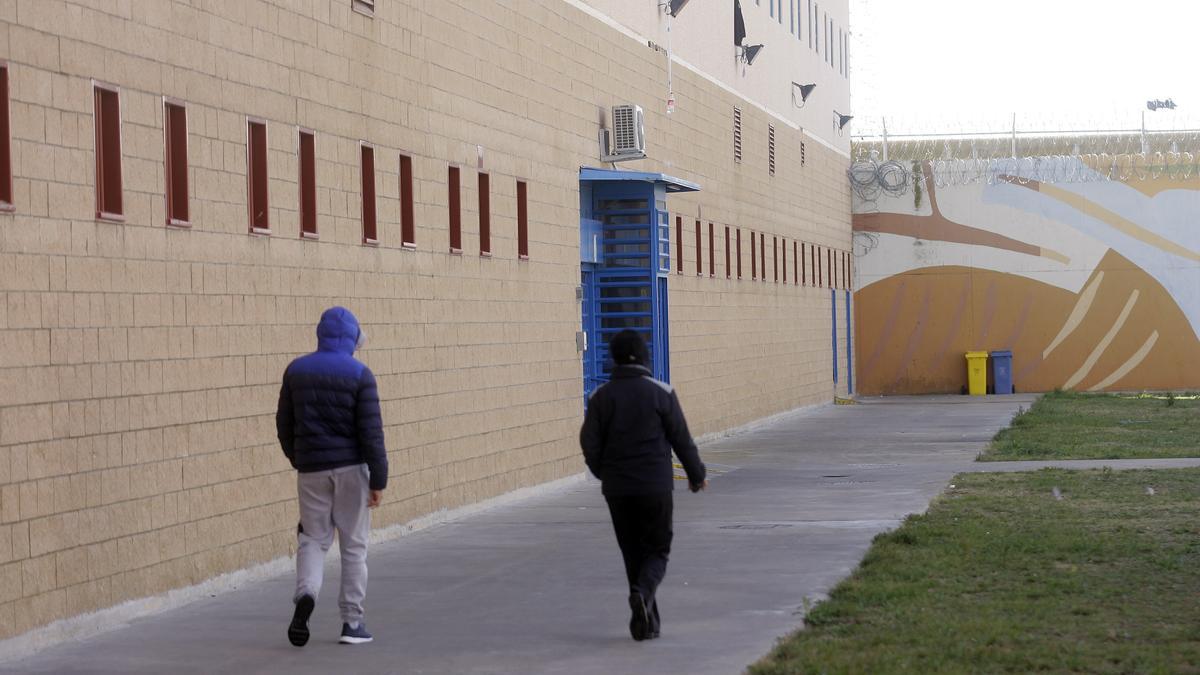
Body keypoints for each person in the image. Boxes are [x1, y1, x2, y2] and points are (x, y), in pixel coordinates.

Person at [579, 329, 707, 642]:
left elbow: (589, 443)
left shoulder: (600, 397)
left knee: (633, 554)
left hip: (618, 490)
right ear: (645, 356)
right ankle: (644, 595)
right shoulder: (661, 392)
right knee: (658, 550)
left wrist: (604, 473)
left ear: (614, 358)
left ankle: (647, 622)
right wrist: (696, 474)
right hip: (655, 486)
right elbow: (681, 437)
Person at [276, 306, 388, 647]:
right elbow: (371, 434)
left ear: (321, 335)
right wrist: (378, 479)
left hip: (311, 470)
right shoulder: (360, 374)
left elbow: (283, 424)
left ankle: (306, 594)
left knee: (313, 539)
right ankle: (352, 623)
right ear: (352, 337)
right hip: (352, 470)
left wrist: (299, 458)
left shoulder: (296, 371)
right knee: (354, 545)